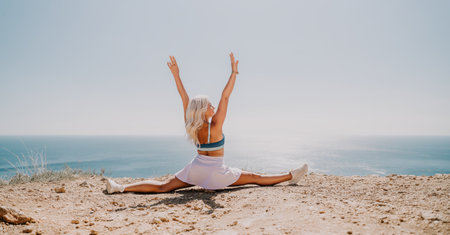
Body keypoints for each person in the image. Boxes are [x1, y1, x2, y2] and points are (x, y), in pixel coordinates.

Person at [106, 52, 308, 194]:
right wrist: (234, 73)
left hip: (196, 171)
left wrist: (176, 75)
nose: (213, 106)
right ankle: (291, 176)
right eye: (210, 104)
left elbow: (183, 97)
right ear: (203, 109)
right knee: (255, 177)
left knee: (163, 187)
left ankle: (119, 188)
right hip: (218, 175)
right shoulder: (216, 126)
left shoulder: (192, 124)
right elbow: (226, 97)